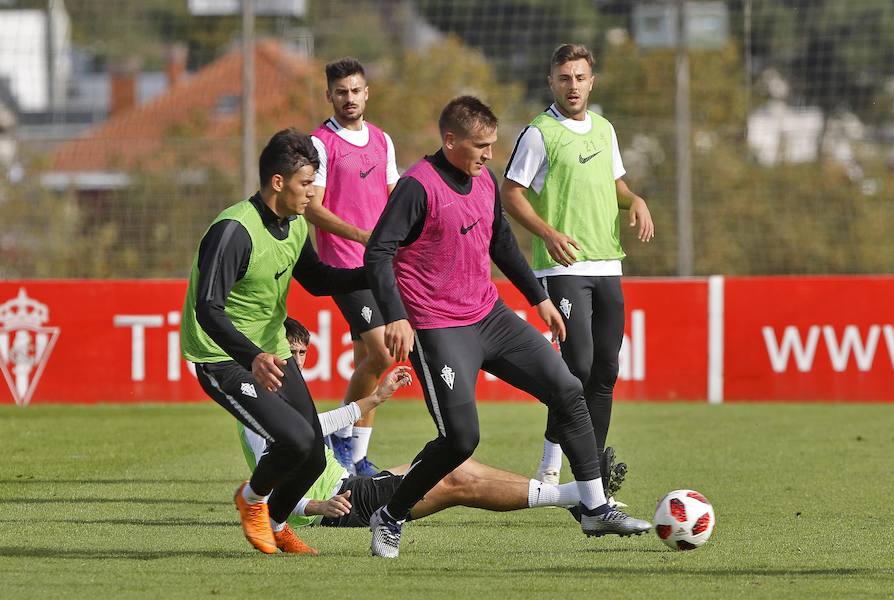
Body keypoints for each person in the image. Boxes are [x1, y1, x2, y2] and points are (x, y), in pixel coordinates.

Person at [363, 95, 651, 558]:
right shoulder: (417, 186)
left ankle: (595, 508)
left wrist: (539, 299)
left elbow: (502, 246)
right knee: (461, 439)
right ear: (450, 140)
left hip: (490, 316)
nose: (488, 155)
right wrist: (396, 315)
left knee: (568, 388)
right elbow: (377, 251)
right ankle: (391, 515)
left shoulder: (484, 180)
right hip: (438, 328)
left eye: (492, 144)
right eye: (480, 145)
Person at [180, 128, 370, 556]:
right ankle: (252, 499)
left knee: (315, 458)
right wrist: (252, 356)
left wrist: (374, 272)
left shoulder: (296, 224)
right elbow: (208, 309)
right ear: (278, 182)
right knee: (296, 441)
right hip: (221, 356)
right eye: (306, 184)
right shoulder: (234, 231)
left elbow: (319, 281)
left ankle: (279, 523)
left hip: (270, 352)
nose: (312, 194)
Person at [238, 317, 590, 530]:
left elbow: (317, 426)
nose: (296, 361)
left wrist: (373, 400)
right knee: (457, 478)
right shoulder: (259, 411)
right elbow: (261, 492)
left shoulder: (282, 399)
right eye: (289, 352)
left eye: (301, 352)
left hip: (350, 485)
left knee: (455, 465)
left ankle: (575, 496)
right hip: (341, 505)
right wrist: (316, 507)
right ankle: (577, 495)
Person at [501, 44, 655, 500]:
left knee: (605, 371)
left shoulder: (604, 130)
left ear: (592, 81)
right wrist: (547, 233)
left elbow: (615, 185)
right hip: (563, 266)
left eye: (580, 77)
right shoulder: (539, 133)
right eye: (564, 78)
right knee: (577, 369)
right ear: (552, 81)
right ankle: (551, 467)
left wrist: (637, 200)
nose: (573, 86)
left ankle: (594, 479)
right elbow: (511, 194)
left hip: (608, 263)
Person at [306, 58, 401, 477]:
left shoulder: (382, 140)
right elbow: (311, 207)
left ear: (367, 93)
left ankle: (355, 457)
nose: (349, 98)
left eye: (356, 90)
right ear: (329, 95)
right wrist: (361, 236)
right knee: (383, 353)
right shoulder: (321, 143)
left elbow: (396, 197)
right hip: (343, 265)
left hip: (381, 266)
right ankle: (344, 439)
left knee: (368, 355)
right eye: (341, 92)